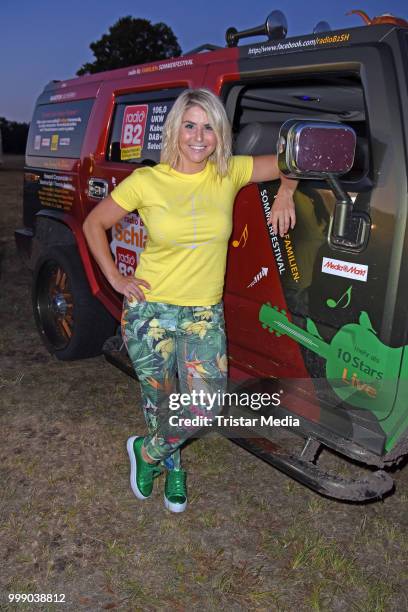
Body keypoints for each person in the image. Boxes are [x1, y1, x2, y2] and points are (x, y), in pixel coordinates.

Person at [83, 88, 297, 513]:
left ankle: (146, 451)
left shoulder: (229, 173)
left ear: (220, 134)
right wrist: (116, 279)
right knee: (161, 399)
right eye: (190, 125)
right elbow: (94, 224)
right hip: (150, 311)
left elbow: (294, 160)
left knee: (203, 405)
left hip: (202, 314)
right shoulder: (147, 181)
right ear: (175, 129)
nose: (199, 137)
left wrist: (287, 191)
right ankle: (174, 466)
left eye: (209, 128)